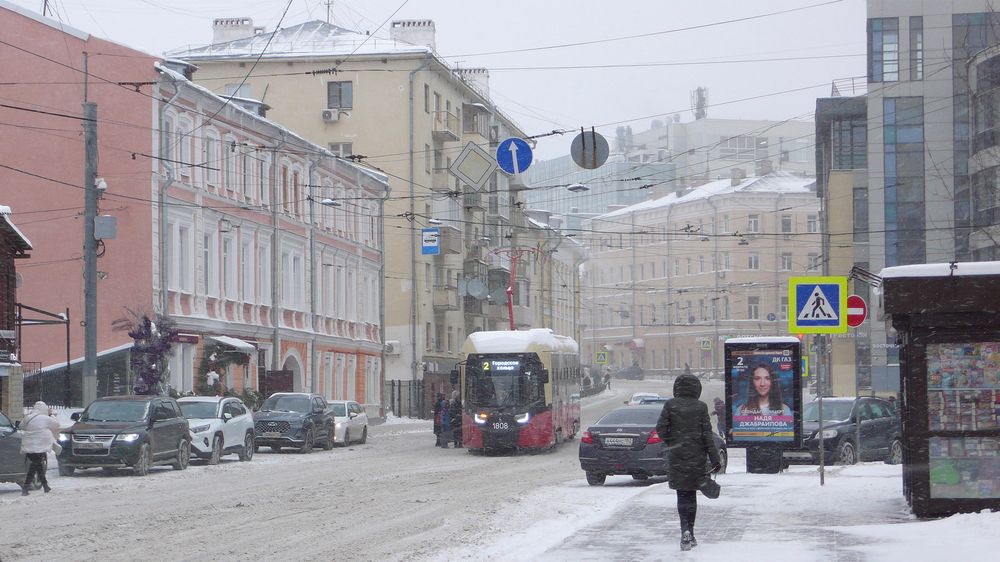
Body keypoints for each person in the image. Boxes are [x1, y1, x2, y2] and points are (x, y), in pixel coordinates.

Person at [656, 373, 722, 551]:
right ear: (697, 389)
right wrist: (715, 458)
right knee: (691, 496)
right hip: (696, 458)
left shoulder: (670, 405)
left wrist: (673, 442)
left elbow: (660, 428)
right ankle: (690, 532)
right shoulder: (700, 407)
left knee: (682, 495)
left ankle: (684, 529)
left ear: (677, 388)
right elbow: (707, 436)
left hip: (677, 458)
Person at [20, 401, 60, 496]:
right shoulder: (45, 418)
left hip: (29, 446)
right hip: (40, 446)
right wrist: (51, 415)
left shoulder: (28, 417)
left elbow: (21, 426)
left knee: (37, 465)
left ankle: (45, 486)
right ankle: (26, 487)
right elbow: (56, 425)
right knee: (36, 465)